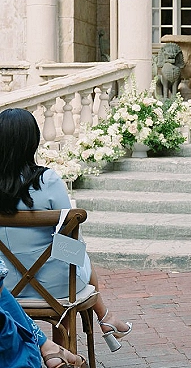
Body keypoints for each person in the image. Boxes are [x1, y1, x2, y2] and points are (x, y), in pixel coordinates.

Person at [0, 108, 132, 352]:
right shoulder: (47, 180)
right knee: (78, 255)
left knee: (73, 256)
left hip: (4, 287)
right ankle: (99, 324)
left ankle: (104, 322)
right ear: (33, 141)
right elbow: (71, 244)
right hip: (54, 287)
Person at [0, 255, 88, 368]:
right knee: (82, 259)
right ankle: (106, 319)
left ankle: (47, 345)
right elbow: (71, 250)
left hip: (13, 285)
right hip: (53, 286)